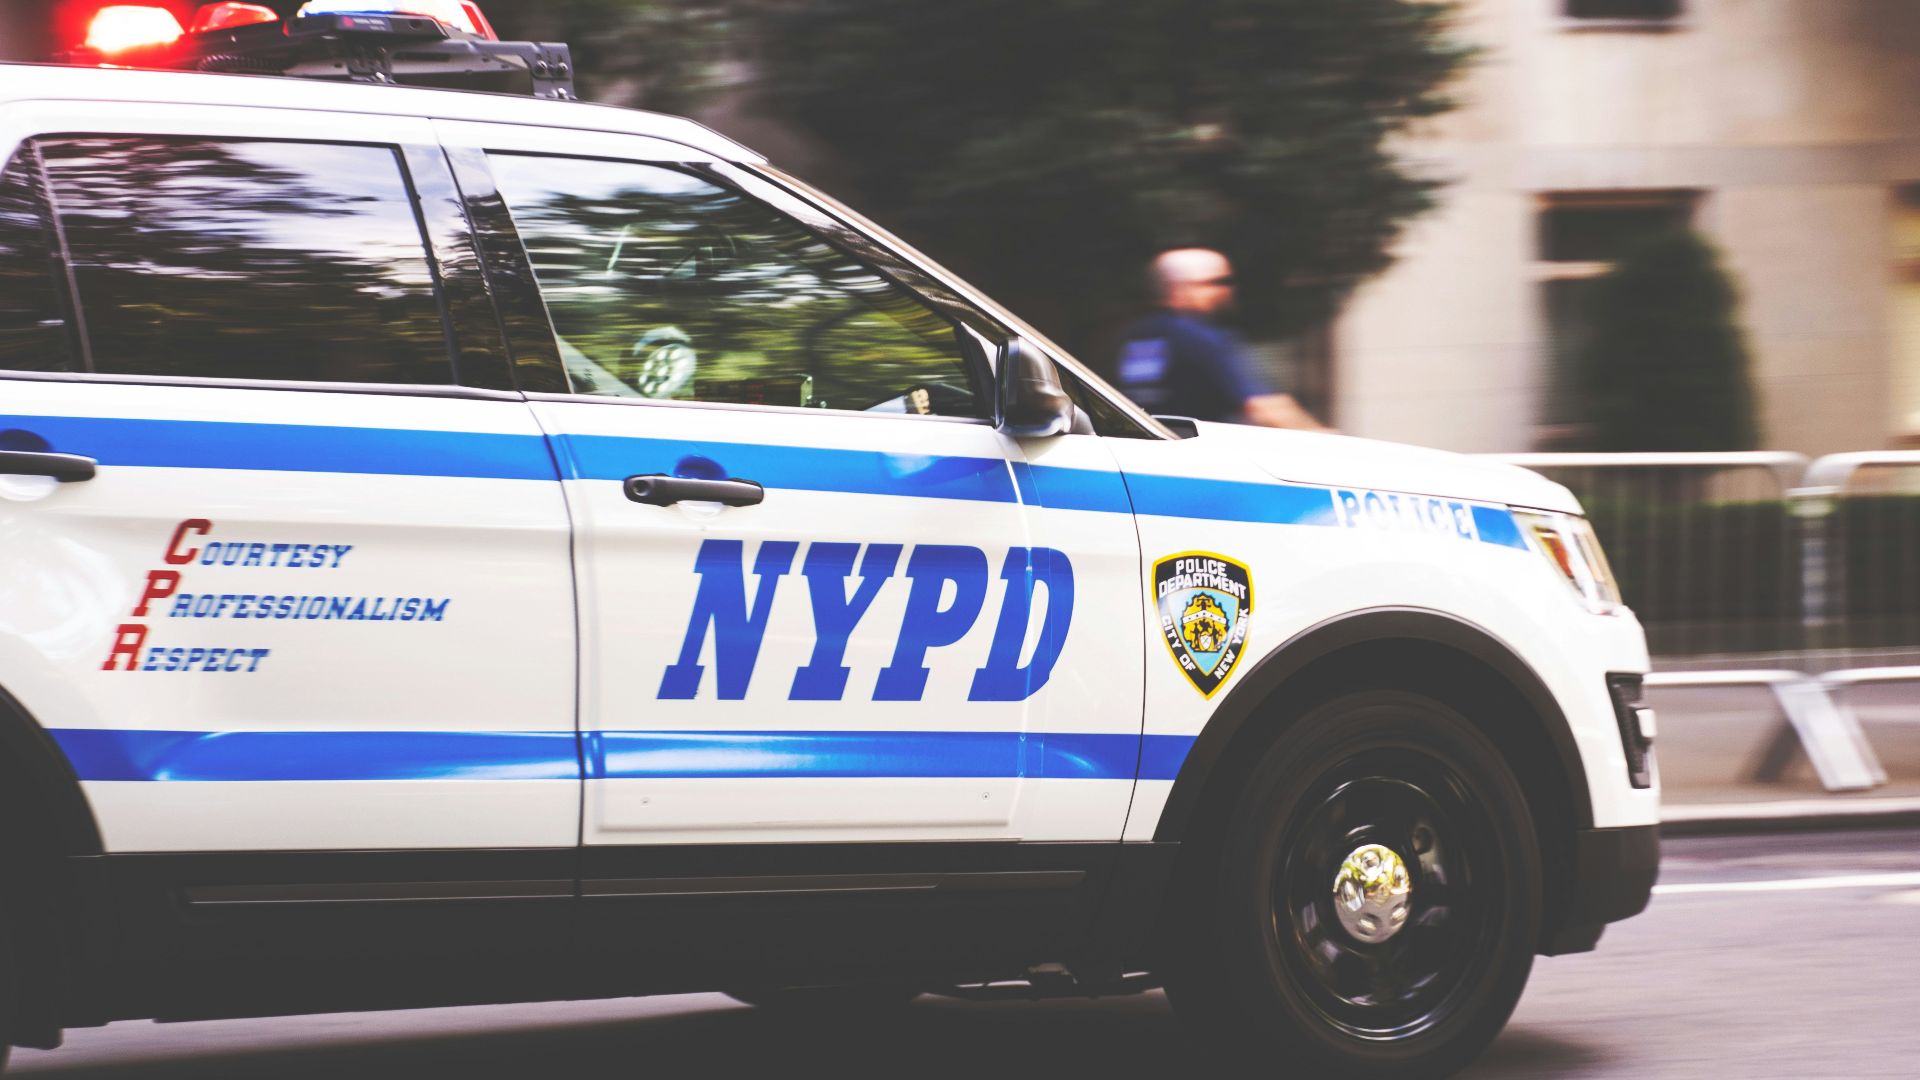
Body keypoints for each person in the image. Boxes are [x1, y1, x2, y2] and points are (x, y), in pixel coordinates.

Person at [1113, 248, 1327, 430]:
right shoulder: (1199, 336)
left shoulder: (1134, 334)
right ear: (1179, 287)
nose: (1226, 290)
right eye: (1216, 282)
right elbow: (1265, 406)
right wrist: (1321, 439)